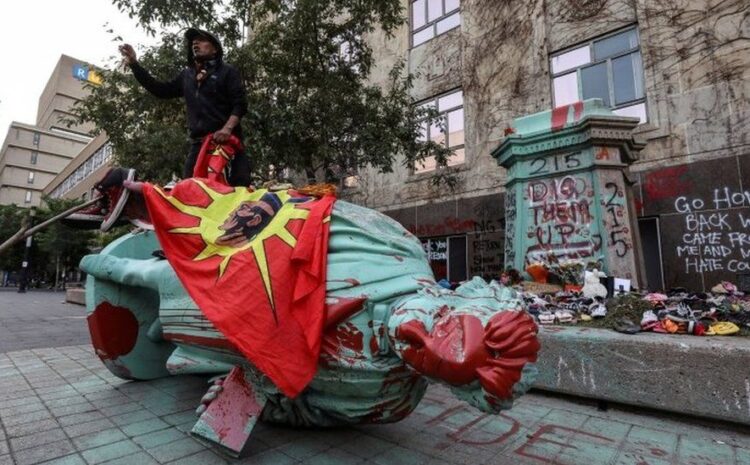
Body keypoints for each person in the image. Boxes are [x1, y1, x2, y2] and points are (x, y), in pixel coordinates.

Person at [119, 28, 251, 186]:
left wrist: (227, 129)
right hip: (198, 146)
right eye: (193, 41)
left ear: (215, 48)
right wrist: (135, 65)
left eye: (201, 40)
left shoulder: (227, 72)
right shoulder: (187, 75)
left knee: (236, 191)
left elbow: (240, 104)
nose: (195, 43)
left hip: (228, 144)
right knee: (190, 191)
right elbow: (161, 90)